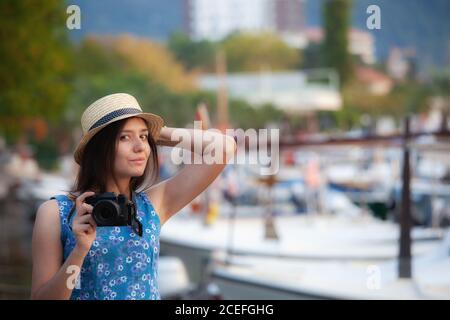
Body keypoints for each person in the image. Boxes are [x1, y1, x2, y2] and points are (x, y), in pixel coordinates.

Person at [30, 93, 236, 300]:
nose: (139, 147)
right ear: (99, 148)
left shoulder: (153, 204)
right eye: (124, 137)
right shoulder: (56, 214)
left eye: (143, 137)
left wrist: (156, 133)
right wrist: (79, 252)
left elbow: (224, 147)